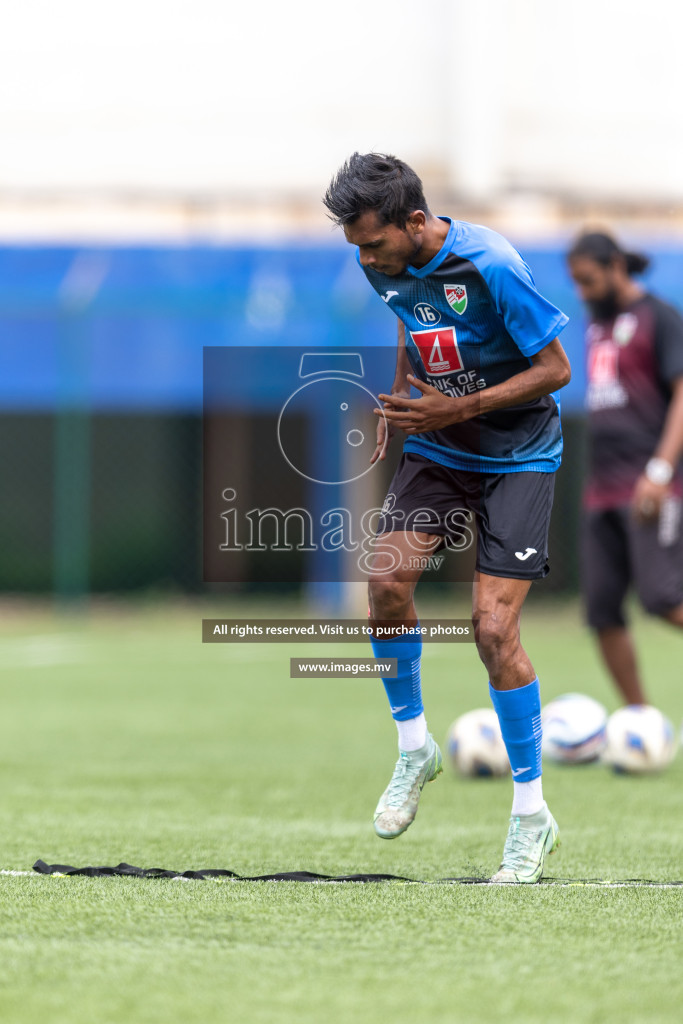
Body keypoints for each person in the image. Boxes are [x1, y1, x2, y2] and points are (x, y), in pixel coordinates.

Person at [323, 153, 571, 883]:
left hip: (520, 452)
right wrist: (402, 399)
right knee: (386, 584)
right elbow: (414, 320)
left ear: (413, 220)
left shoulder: (490, 263)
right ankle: (413, 748)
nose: (365, 258)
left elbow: (557, 368)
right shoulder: (381, 264)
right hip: (437, 443)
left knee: (492, 629)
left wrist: (455, 405)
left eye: (373, 242)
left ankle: (530, 816)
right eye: (356, 246)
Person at [567, 231, 683, 706]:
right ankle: (640, 719)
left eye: (589, 280)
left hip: (650, 484)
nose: (582, 292)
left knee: (664, 599)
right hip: (602, 489)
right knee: (601, 612)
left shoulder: (660, 317)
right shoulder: (596, 323)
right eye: (576, 283)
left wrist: (660, 471)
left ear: (615, 265)